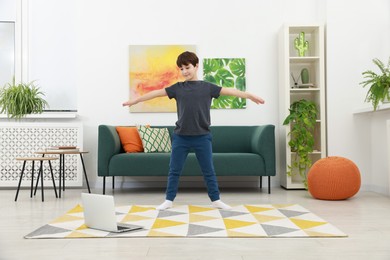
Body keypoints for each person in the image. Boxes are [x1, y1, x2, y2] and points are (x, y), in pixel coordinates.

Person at [123, 51, 265, 210]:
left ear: (196, 66)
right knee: (174, 170)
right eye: (181, 69)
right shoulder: (178, 88)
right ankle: (168, 200)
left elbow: (231, 91)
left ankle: (216, 199)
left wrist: (250, 96)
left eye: (187, 67)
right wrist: (136, 100)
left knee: (208, 170)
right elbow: (156, 93)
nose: (184, 71)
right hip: (180, 137)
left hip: (202, 137)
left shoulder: (208, 87)